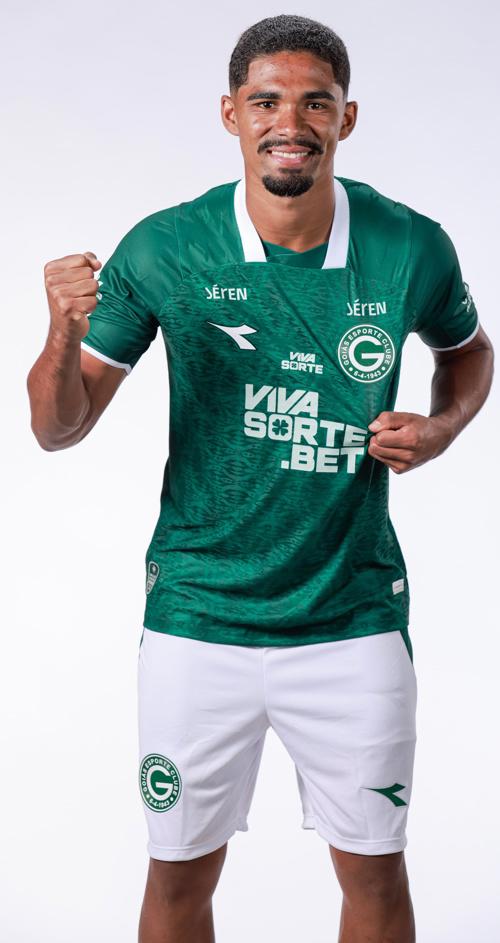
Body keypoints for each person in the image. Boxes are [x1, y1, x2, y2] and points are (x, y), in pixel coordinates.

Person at [27, 13, 494, 943]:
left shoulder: (409, 244)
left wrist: (440, 427)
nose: (291, 122)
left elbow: (469, 351)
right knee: (176, 880)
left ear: (346, 118)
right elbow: (58, 428)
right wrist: (62, 334)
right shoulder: (168, 247)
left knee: (376, 877)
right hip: (198, 617)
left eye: (315, 103)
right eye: (267, 101)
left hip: (351, 617)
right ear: (231, 113)